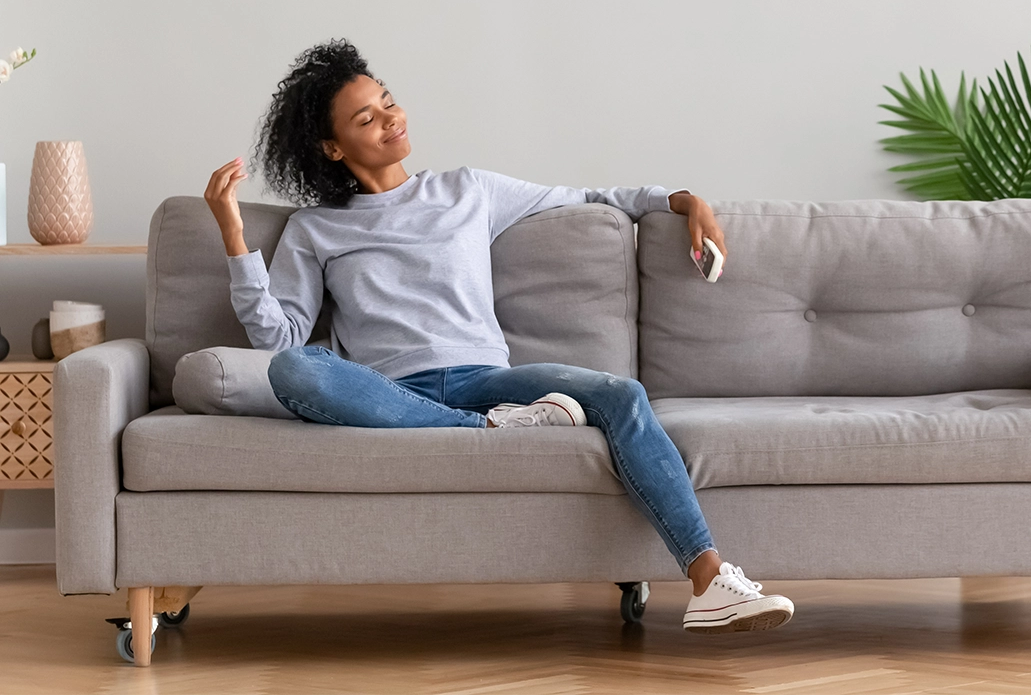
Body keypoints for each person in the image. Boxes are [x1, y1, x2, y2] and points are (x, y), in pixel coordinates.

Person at [204, 38, 794, 634]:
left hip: (488, 379)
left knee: (622, 395)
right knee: (294, 371)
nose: (391, 120)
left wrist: (685, 200)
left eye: (388, 103)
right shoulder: (314, 229)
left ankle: (710, 578)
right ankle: (490, 430)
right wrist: (234, 234)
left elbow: (591, 197)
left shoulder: (468, 190)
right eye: (367, 118)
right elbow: (280, 340)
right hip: (390, 396)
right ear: (332, 147)